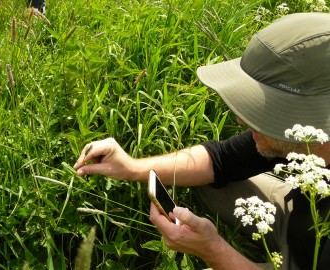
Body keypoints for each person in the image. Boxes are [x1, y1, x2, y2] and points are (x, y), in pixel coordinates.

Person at [73, 13, 330, 270]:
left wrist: (213, 250)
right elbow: (222, 159)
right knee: (206, 183)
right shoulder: (308, 138)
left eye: (265, 110)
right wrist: (130, 167)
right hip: (298, 216)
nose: (241, 120)